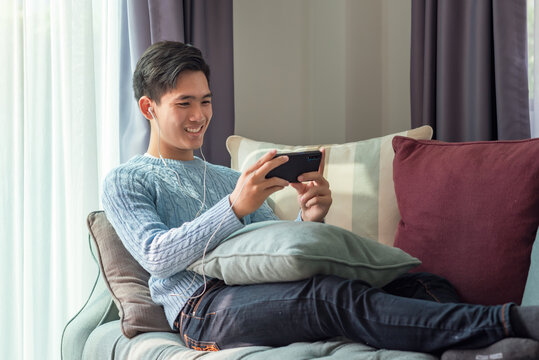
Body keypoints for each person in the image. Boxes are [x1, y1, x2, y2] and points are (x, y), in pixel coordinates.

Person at [102, 41, 539, 357]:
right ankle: (509, 323)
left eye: (205, 101)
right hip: (205, 310)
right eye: (183, 104)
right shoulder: (127, 179)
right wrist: (235, 206)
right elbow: (156, 256)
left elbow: (266, 249)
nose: (199, 116)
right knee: (327, 298)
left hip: (263, 289)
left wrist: (309, 219)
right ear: (149, 108)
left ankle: (469, 350)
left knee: (424, 282)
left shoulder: (227, 176)